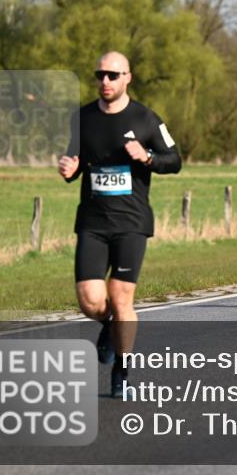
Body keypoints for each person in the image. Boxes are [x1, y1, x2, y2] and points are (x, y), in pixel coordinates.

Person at [58, 52, 182, 397]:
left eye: (113, 75)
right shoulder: (82, 117)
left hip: (131, 222)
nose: (105, 81)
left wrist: (148, 157)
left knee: (120, 296)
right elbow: (77, 160)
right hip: (93, 221)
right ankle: (110, 326)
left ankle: (122, 372)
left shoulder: (145, 118)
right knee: (90, 300)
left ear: (128, 77)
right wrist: (70, 169)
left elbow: (175, 160)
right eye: (100, 74)